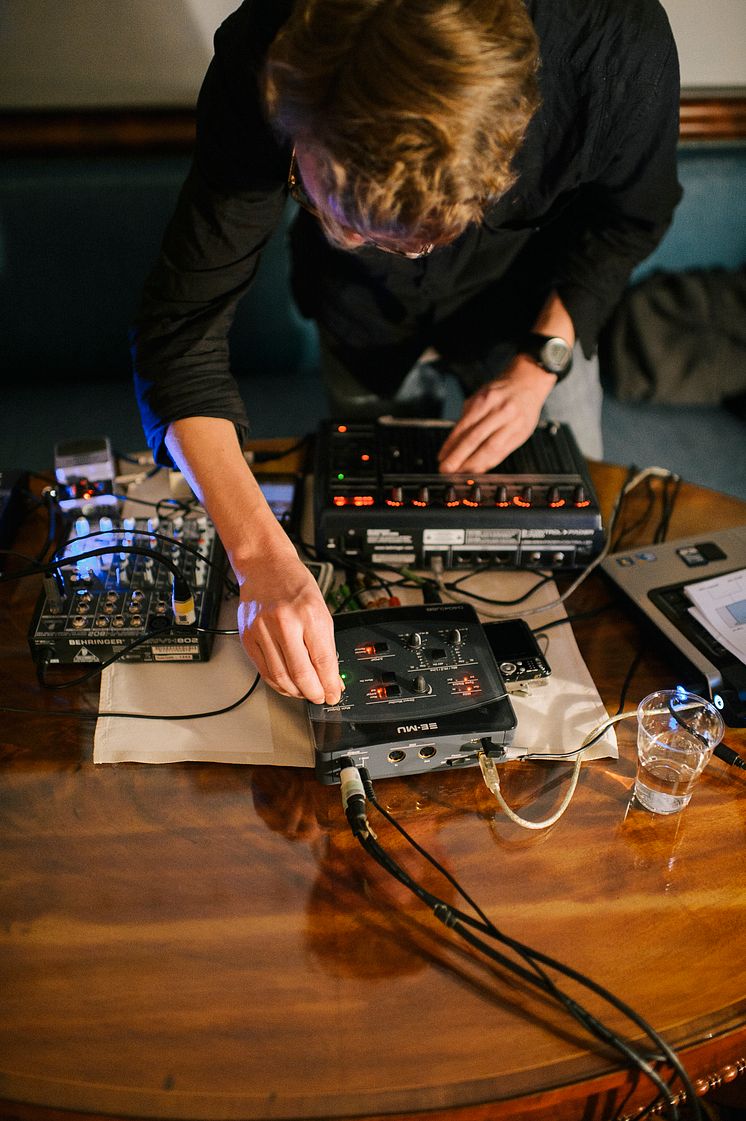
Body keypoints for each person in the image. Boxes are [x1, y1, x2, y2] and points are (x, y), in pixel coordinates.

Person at [131, 0, 682, 706]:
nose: (381, 249)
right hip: (360, 316)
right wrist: (262, 557)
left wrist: (542, 361)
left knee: (571, 570)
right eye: (341, 216)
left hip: (530, 310)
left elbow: (631, 218)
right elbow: (181, 332)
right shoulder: (263, 51)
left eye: (423, 235)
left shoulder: (616, 45)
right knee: (359, 540)